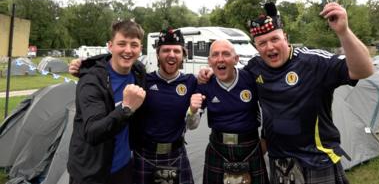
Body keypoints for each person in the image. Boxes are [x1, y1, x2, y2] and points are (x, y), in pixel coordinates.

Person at [199, 2, 374, 184]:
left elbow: (364, 70)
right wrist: (210, 73)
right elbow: (231, 75)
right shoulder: (255, 68)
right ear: (256, 47)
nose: (270, 47)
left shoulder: (313, 62)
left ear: (286, 37)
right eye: (262, 43)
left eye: (275, 39)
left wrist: (343, 32)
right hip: (279, 163)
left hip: (316, 161)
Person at [69, 28, 198, 184]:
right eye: (165, 50)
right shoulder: (143, 79)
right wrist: (85, 66)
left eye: (176, 51)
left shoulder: (192, 82)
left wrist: (195, 106)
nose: (171, 55)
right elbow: (118, 59)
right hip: (143, 155)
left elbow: (193, 123)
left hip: (175, 154)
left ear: (183, 54)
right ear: (157, 54)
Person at [67, 20, 147, 184]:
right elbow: (93, 132)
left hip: (124, 166)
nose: (128, 50)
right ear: (110, 46)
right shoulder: (92, 81)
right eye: (122, 44)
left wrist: (204, 77)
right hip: (91, 173)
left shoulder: (138, 71)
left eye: (134, 45)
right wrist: (126, 109)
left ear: (140, 49)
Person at [190, 39, 269, 184]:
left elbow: (271, 110)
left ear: (236, 59)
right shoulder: (205, 83)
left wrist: (265, 138)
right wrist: (192, 111)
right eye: (215, 55)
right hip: (217, 148)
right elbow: (191, 125)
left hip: (250, 147)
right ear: (209, 61)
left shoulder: (251, 79)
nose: (220, 59)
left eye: (226, 54)